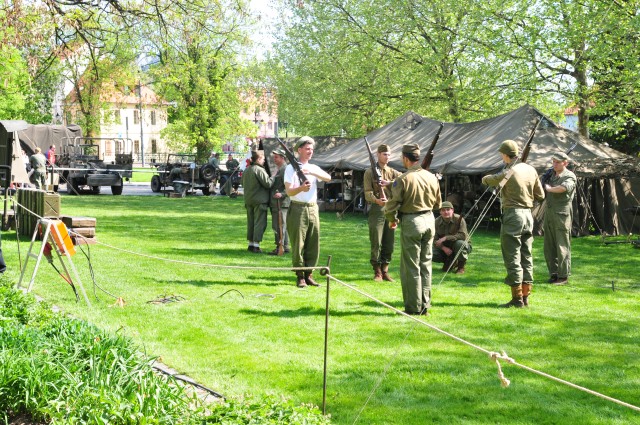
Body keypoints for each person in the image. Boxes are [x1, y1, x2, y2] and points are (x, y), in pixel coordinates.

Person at [481, 140, 545, 308]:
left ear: (504, 154)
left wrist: (485, 178)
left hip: (513, 215)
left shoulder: (510, 171)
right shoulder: (531, 169)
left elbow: (490, 180)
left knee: (512, 256)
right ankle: (526, 297)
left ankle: (517, 299)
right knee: (526, 255)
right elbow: (541, 195)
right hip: (528, 216)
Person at [383, 143, 441, 315]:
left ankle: (413, 307)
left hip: (412, 221)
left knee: (411, 266)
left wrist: (392, 219)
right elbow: (438, 203)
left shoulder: (403, 179)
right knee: (426, 264)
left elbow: (391, 205)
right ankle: (425, 304)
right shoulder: (431, 177)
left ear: (406, 159)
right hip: (430, 220)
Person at [284, 136, 331, 288]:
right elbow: (289, 192)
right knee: (298, 243)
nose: (310, 151)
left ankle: (309, 273)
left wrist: (312, 172)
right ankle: (300, 276)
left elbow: (328, 178)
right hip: (297, 207)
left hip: (313, 208)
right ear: (299, 150)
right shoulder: (290, 168)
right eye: (307, 149)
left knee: (313, 242)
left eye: (311, 149)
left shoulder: (313, 167)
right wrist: (301, 188)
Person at [363, 143, 401, 281]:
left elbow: (404, 180)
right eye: (385, 154)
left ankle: (385, 269)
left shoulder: (393, 172)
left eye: (389, 154)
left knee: (389, 241)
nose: (387, 157)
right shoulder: (369, 172)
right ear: (378, 155)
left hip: (391, 208)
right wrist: (376, 200)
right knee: (376, 240)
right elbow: (367, 192)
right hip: (377, 209)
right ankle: (377, 270)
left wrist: (390, 183)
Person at [543, 151, 576, 285]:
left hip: (562, 214)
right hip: (550, 212)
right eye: (553, 162)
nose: (554, 164)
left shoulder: (569, 176)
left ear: (565, 163)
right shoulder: (551, 175)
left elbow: (564, 188)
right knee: (549, 246)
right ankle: (554, 273)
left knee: (562, 245)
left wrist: (549, 189)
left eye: (557, 162)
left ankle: (563, 276)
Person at [241, 151, 272, 253]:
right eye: (263, 159)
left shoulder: (246, 170)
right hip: (259, 200)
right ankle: (256, 245)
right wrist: (274, 177)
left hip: (249, 200)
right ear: (258, 159)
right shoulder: (259, 170)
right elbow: (268, 184)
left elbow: (242, 183)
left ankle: (250, 244)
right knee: (259, 223)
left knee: (251, 223)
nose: (264, 161)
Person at [433, 201, 472, 274]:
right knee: (431, 252)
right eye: (443, 210)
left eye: (448, 209)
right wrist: (444, 248)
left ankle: (461, 267)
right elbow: (434, 240)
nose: (446, 212)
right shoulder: (436, 222)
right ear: (440, 212)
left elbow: (462, 236)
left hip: (462, 245)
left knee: (460, 244)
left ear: (452, 210)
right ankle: (450, 261)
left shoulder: (459, 219)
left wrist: (446, 238)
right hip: (446, 247)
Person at [268, 148, 290, 255]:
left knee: (279, 225)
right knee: (281, 225)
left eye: (276, 157)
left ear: (282, 157)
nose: (274, 159)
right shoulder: (280, 168)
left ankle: (280, 247)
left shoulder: (285, 169)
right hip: (277, 202)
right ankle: (284, 246)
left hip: (281, 202)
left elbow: (290, 185)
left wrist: (282, 194)